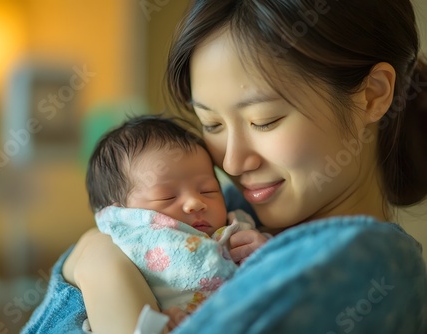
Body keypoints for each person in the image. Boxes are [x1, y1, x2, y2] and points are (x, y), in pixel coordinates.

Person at [22, 0, 427, 333]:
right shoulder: (226, 215)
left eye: (263, 120)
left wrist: (99, 260)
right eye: (211, 124)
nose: (230, 161)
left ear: (372, 95)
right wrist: (99, 256)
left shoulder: (368, 264)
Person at [81, 115, 268, 332]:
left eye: (208, 190)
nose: (195, 203)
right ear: (123, 214)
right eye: (167, 197)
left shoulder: (237, 228)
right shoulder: (126, 245)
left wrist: (264, 250)